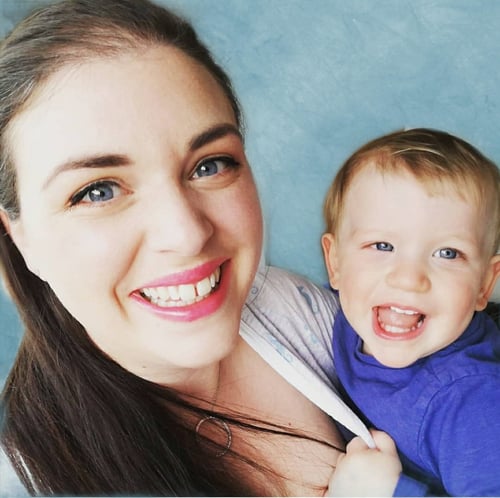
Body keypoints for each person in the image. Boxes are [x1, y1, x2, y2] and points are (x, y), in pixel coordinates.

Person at [0, 0, 407, 495]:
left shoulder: (289, 307)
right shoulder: (30, 484)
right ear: (18, 236)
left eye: (210, 165)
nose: (186, 233)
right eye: (97, 191)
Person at [321, 128, 500, 496]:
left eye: (447, 253)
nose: (408, 279)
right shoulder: (346, 310)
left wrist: (391, 490)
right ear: (335, 262)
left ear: (485, 283)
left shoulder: (472, 404)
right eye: (382, 245)